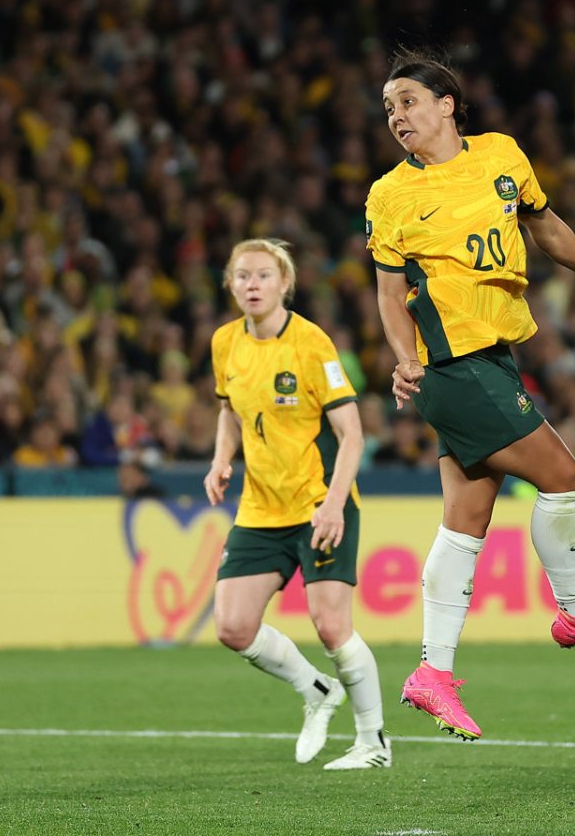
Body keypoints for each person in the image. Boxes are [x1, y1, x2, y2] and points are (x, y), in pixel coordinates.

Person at [366, 52, 575, 742]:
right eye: (388, 109)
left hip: (493, 356)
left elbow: (544, 224)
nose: (397, 116)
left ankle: (433, 673)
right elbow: (385, 291)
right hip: (455, 366)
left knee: (465, 519)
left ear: (447, 104)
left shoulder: (501, 155)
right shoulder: (390, 195)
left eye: (407, 101)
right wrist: (404, 359)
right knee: (563, 476)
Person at [205, 239, 389, 770]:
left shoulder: (311, 344)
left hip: (319, 503)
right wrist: (222, 460)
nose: (253, 285)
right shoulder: (225, 343)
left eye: (264, 275)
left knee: (331, 625)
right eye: (242, 276)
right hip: (261, 508)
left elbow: (351, 434)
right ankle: (316, 690)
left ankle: (373, 742)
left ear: (285, 283)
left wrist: (333, 505)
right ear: (231, 285)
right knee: (232, 627)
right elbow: (228, 410)